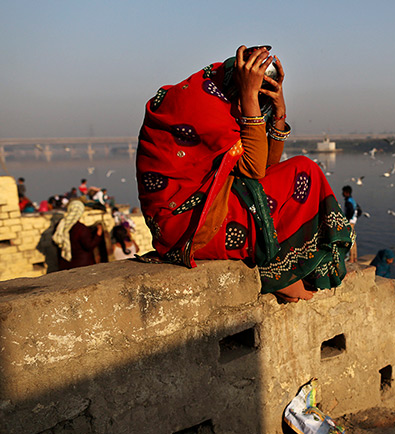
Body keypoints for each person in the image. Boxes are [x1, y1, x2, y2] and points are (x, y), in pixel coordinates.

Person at [135, 45, 354, 303]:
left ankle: (294, 268)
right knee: (303, 170)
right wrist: (250, 96)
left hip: (202, 208)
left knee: (300, 171)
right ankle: (277, 274)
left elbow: (267, 164)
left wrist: (279, 111)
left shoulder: (222, 97)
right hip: (190, 226)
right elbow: (255, 168)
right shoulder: (202, 105)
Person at [52, 200, 104, 270]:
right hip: (82, 265)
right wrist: (98, 234)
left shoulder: (60, 226)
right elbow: (89, 246)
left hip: (65, 265)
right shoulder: (81, 229)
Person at [341, 185, 358, 263]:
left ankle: (351, 259)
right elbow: (359, 210)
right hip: (353, 221)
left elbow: (350, 211)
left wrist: (347, 220)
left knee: (350, 239)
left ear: (346, 193)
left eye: (343, 192)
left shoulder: (348, 201)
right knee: (353, 240)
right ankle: (355, 258)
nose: (342, 193)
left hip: (350, 222)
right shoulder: (352, 200)